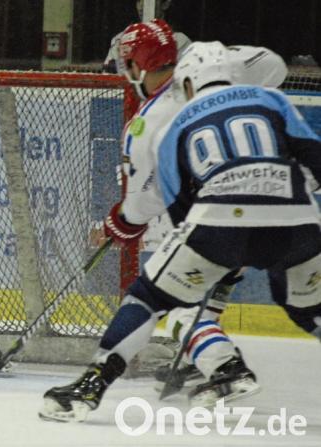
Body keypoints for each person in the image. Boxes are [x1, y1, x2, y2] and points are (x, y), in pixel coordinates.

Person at [39, 40, 321, 423]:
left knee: (147, 298)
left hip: (217, 224)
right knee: (309, 309)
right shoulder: (271, 100)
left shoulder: (172, 127)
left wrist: (217, 254)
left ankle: (90, 387)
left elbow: (176, 206)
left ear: (187, 84)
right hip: (296, 221)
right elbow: (315, 162)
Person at [106, 19, 289, 405]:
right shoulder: (212, 70)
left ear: (138, 65)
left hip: (212, 215)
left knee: (176, 301)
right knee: (213, 279)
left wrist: (119, 224)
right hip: (270, 193)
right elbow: (275, 66)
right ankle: (202, 353)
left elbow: (143, 204)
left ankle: (225, 368)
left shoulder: (146, 122)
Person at [102, 0, 190, 73]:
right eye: (139, 1)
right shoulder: (120, 39)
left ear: (165, 4)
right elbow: (106, 80)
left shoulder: (180, 41)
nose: (141, 6)